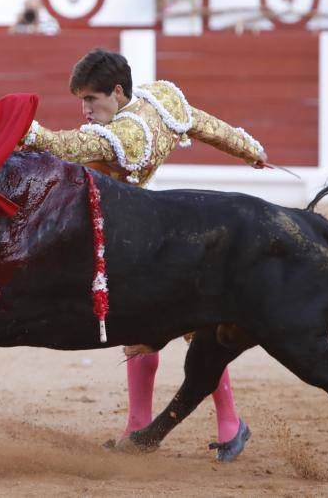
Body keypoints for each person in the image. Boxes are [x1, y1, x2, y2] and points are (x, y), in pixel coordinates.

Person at [21, 48, 267, 461]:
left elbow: (60, 145)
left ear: (117, 92)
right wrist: (248, 150)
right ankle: (211, 425)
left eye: (91, 100)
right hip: (162, 230)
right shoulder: (159, 100)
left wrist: (17, 127)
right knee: (179, 329)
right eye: (81, 100)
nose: (84, 109)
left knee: (154, 328)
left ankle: (193, 425)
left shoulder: (124, 137)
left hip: (135, 236)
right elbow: (204, 124)